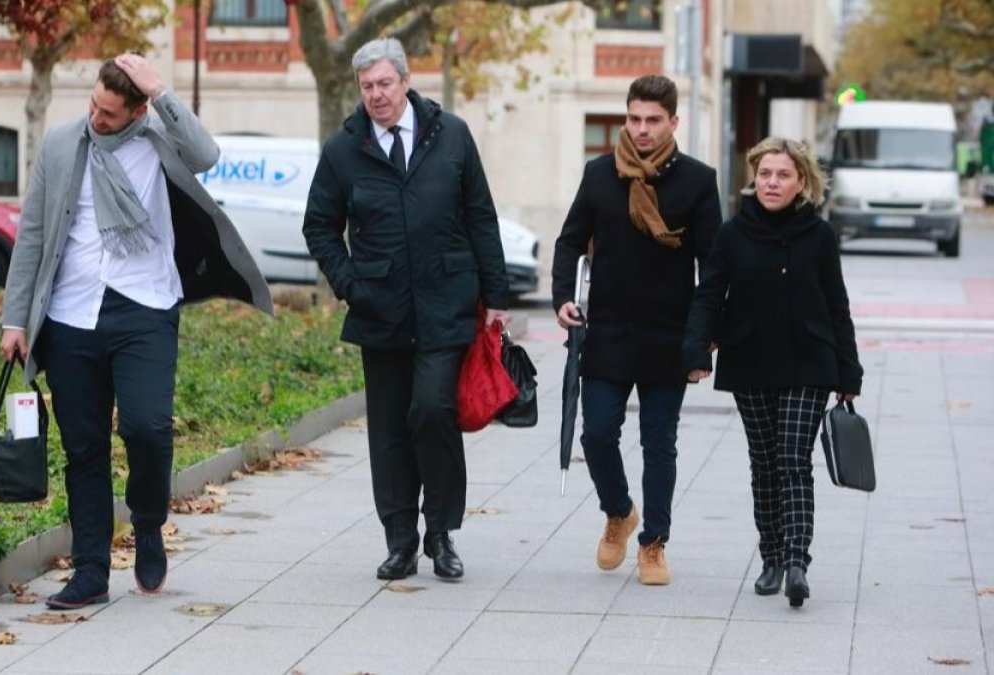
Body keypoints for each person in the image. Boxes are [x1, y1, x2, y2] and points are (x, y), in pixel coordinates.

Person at [0, 53, 273, 609]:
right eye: (94, 105)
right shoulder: (61, 144)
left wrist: (163, 92)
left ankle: (148, 523)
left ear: (138, 110)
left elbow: (208, 155)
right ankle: (91, 570)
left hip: (144, 307)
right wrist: (15, 317)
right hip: (72, 314)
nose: (96, 118)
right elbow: (32, 234)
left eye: (110, 112)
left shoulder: (158, 138)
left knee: (148, 428)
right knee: (84, 448)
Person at [302, 37, 510, 582]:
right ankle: (400, 540)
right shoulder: (343, 150)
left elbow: (481, 216)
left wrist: (498, 296)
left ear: (406, 80)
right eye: (367, 86)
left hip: (447, 304)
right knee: (390, 428)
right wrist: (349, 283)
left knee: (433, 410)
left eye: (385, 84)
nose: (376, 95)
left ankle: (441, 533)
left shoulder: (452, 135)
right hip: (379, 307)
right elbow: (319, 226)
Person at [552, 75, 721, 586]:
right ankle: (620, 511)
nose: (642, 129)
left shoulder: (697, 180)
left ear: (674, 122)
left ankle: (654, 543)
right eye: (634, 119)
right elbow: (569, 242)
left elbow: (713, 267)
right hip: (607, 330)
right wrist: (562, 297)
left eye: (652, 120)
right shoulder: (601, 174)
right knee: (597, 433)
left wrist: (704, 336)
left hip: (668, 333)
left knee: (659, 442)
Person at [682, 137, 862, 607]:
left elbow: (837, 305)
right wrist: (696, 350)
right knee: (764, 465)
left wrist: (849, 373)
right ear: (753, 179)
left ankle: (797, 561)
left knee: (793, 459)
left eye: (783, 175)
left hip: (810, 362)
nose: (773, 183)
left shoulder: (820, 237)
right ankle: (772, 559)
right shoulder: (732, 234)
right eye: (765, 174)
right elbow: (709, 295)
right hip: (750, 360)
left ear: (801, 181)